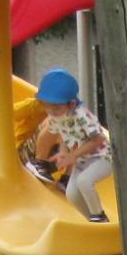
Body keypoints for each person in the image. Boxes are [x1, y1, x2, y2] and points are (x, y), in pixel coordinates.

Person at [32, 67, 113, 222]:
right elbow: (62, 133)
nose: (52, 111)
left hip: (103, 158)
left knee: (84, 181)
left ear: (70, 103)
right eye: (47, 105)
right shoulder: (57, 116)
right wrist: (63, 151)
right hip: (83, 161)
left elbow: (99, 139)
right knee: (71, 194)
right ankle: (94, 222)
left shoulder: (81, 116)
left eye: (56, 107)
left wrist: (72, 156)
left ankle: (99, 216)